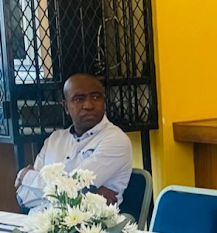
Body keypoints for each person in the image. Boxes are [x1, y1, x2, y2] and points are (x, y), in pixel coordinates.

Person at [15, 73, 133, 212]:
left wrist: (25, 176)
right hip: (39, 224)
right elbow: (24, 197)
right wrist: (86, 195)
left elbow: (73, 187)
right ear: (66, 106)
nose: (88, 105)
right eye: (79, 99)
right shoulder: (54, 139)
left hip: (89, 229)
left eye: (96, 97)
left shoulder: (115, 140)